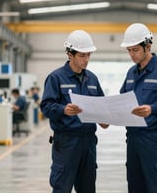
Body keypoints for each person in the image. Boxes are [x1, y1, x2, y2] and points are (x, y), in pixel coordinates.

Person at [40, 30, 108, 193]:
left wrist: (104, 118)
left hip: (89, 142)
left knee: (87, 188)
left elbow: (101, 104)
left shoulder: (92, 79)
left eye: (88, 55)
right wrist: (64, 110)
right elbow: (46, 106)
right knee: (62, 187)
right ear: (70, 54)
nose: (86, 60)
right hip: (66, 142)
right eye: (82, 55)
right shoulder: (56, 78)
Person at [119, 23, 157, 193]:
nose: (131, 54)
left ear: (148, 46)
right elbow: (122, 99)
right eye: (129, 50)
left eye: (135, 50)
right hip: (133, 139)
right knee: (135, 185)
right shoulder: (131, 73)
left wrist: (152, 109)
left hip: (154, 139)